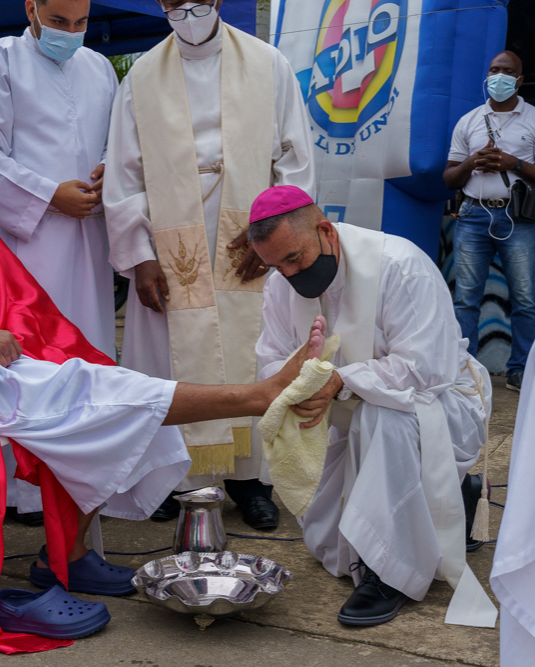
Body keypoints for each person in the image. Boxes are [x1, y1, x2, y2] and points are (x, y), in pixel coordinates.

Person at [0, 76, 312, 650]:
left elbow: (15, 295)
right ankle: (256, 398)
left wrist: (24, 341)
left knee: (102, 387)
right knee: (88, 399)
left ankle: (70, 554)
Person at [104, 0, 314, 529]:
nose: (187, 11)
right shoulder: (142, 76)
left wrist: (277, 236)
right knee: (169, 362)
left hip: (249, 229)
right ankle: (172, 481)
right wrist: (141, 256)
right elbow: (124, 175)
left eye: (197, 1)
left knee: (252, 351)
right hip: (173, 236)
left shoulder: (269, 65)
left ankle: (248, 481)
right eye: (175, 4)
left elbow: (297, 157)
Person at [249, 185, 495, 628]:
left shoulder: (400, 266)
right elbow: (272, 358)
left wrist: (341, 380)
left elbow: (425, 370)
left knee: (384, 415)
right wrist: (300, 386)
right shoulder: (278, 286)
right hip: (342, 409)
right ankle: (458, 493)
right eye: (276, 265)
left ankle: (391, 572)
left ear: (325, 231)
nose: (288, 275)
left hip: (441, 398)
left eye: (294, 258)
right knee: (328, 542)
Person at [0, 0, 118, 525]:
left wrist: (112, 175)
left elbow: (121, 144)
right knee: (31, 360)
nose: (71, 33)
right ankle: (24, 492)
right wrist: (49, 195)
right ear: (31, 9)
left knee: (86, 355)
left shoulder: (100, 68)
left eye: (81, 23)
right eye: (59, 21)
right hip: (27, 243)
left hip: (89, 239)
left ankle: (85, 482)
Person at [443, 50, 535, 392]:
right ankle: (467, 371)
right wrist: (471, 163)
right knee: (465, 298)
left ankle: (520, 369)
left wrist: (513, 163)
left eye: (507, 71)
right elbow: (449, 178)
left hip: (517, 217)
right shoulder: (468, 121)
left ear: (519, 80)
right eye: (494, 69)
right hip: (472, 215)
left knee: (523, 297)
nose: (499, 76)